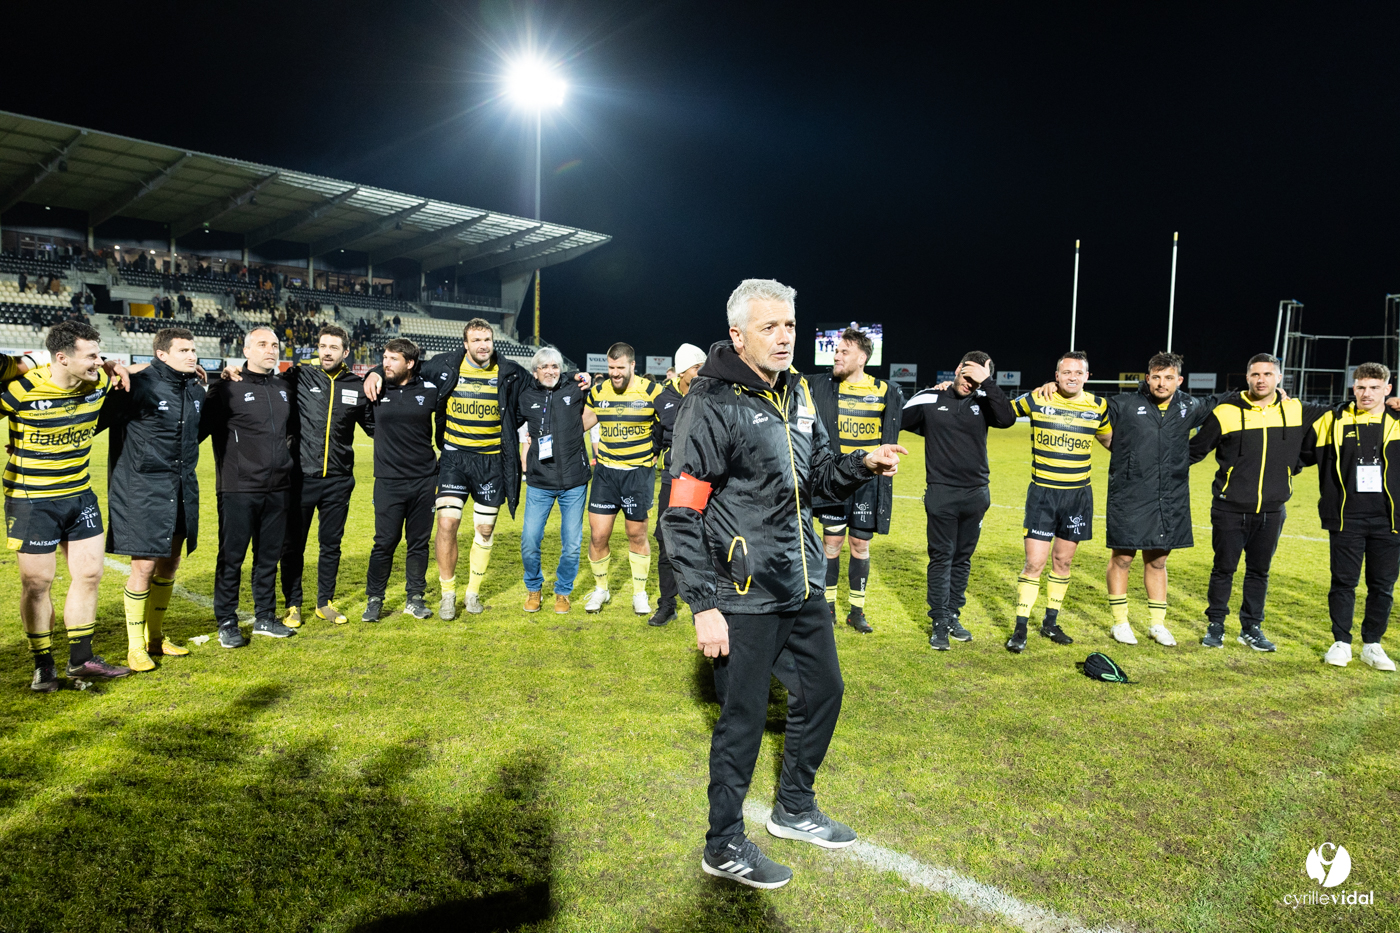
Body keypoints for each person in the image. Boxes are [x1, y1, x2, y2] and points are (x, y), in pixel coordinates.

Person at [663, 279, 905, 889]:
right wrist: (702, 604)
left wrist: (859, 464)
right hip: (742, 592)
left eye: (791, 325)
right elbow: (682, 511)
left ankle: (794, 809)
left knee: (824, 692)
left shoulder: (798, 390)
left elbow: (818, 478)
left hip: (801, 584)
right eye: (769, 327)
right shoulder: (711, 402)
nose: (784, 337)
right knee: (742, 720)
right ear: (738, 335)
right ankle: (722, 845)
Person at [3, 323, 132, 690]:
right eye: (91, 355)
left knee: (90, 574)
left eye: (99, 353)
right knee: (37, 582)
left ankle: (82, 659)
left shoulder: (99, 382)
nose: (98, 361)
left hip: (79, 495)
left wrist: (118, 367)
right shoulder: (23, 389)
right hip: (32, 500)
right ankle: (43, 665)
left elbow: (124, 373)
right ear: (62, 357)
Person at [1189, 353, 1330, 651]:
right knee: (1223, 569)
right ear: (1247, 377)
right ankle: (1216, 625)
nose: (1261, 379)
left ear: (1279, 378)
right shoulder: (1226, 412)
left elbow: (1341, 412)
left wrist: (1390, 404)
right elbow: (1194, 450)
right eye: (1255, 374)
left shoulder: (1297, 410)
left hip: (1272, 510)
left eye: (1267, 374)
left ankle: (1251, 627)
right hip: (1229, 508)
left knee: (1259, 572)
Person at [1096, 353, 1218, 646]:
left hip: (1169, 494)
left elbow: (1227, 403)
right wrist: (1125, 454)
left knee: (1159, 560)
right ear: (1147, 378)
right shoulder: (1124, 404)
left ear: (1179, 380)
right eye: (1156, 377)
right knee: (1123, 557)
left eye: (1168, 378)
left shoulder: (1191, 405)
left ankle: (1157, 624)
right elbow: (1094, 419)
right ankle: (1120, 622)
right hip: (1130, 492)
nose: (1162, 383)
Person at [102, 327, 204, 672]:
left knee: (171, 563)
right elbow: (98, 419)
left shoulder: (195, 390)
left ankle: (155, 638)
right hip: (142, 489)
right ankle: (134, 647)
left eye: (193, 350)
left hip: (181, 488)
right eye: (184, 351)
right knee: (143, 567)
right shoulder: (138, 385)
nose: (192, 356)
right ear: (161, 354)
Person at [901, 351, 1016, 649]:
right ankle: (939, 621)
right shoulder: (929, 398)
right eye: (967, 376)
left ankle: (953, 614)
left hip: (977, 495)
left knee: (962, 560)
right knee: (941, 557)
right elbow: (896, 419)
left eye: (977, 379)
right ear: (957, 370)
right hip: (942, 494)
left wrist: (986, 383)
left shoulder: (984, 401)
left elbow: (1007, 418)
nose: (970, 384)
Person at [1005, 351, 1111, 653]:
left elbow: (1110, 441)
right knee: (1034, 562)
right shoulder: (1038, 399)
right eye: (1066, 372)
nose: (1072, 377)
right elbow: (1003, 412)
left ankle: (1050, 623)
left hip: (1078, 496)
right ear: (1057, 375)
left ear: (1087, 376)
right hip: (1043, 494)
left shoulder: (1098, 406)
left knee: (1063, 561)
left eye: (1078, 372)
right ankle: (1020, 627)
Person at [199, 327, 298, 647]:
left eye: (274, 344)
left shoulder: (284, 387)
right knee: (232, 557)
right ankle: (227, 620)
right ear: (246, 350)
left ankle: (265, 618)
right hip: (238, 487)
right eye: (262, 344)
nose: (270, 349)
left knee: (269, 557)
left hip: (279, 486)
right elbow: (199, 432)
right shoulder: (226, 388)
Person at [1301, 363, 1398, 671]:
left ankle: (1372, 645)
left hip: (1390, 520)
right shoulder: (1332, 420)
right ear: (1353, 388)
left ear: (1388, 389)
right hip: (1346, 517)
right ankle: (1341, 642)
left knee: (1382, 585)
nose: (1366, 393)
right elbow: (1299, 455)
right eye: (1360, 387)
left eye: (1373, 387)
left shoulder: (1397, 420)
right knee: (1343, 582)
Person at [277, 324, 374, 627]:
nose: (327, 352)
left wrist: (377, 374)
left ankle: (324, 602)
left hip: (339, 480)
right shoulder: (300, 375)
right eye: (322, 346)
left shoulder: (357, 386)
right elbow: (262, 380)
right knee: (293, 545)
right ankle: (293, 604)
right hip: (301, 477)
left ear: (346, 352)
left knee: (331, 544)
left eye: (333, 347)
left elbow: (374, 427)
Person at [809, 327, 904, 633]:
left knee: (860, 544)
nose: (836, 355)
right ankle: (828, 608)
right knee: (832, 542)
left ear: (861, 358)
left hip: (868, 484)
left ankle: (857, 611)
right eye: (836, 350)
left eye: (843, 351)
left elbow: (899, 428)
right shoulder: (822, 386)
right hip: (836, 479)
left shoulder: (886, 391)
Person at [362, 338, 445, 621]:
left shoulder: (430, 390)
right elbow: (366, 424)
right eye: (383, 358)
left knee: (418, 542)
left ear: (409, 363)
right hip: (387, 480)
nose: (386, 363)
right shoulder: (376, 388)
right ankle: (374, 599)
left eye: (392, 359)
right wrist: (374, 371)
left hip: (424, 480)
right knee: (384, 542)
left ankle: (415, 598)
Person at [582, 342, 665, 615]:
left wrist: (656, 450)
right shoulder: (598, 391)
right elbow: (581, 422)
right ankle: (601, 589)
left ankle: (639, 594)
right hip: (606, 473)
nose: (614, 373)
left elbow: (670, 421)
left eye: (620, 368)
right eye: (610, 368)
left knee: (636, 533)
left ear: (632, 366)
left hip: (637, 474)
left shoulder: (652, 390)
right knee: (598, 535)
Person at [516, 347, 590, 614]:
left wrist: (579, 376)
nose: (550, 371)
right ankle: (534, 588)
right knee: (529, 539)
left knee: (571, 543)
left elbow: (586, 383)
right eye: (544, 367)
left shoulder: (575, 389)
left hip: (574, 480)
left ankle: (563, 592)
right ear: (535, 371)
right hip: (539, 481)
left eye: (555, 366)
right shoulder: (525, 397)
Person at [648, 342, 707, 627]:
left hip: (702, 479)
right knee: (665, 540)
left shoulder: (710, 394)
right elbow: (656, 438)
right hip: (672, 480)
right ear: (683, 371)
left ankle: (706, 605)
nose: (702, 372)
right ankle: (667, 604)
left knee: (704, 540)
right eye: (697, 368)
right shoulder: (662, 399)